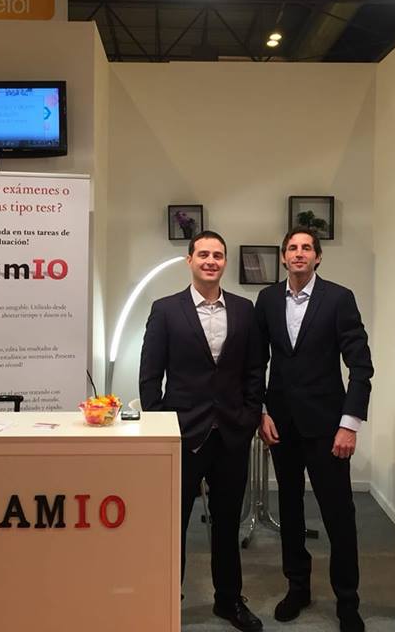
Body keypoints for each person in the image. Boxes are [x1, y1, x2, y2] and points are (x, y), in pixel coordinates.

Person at [139, 230, 264, 632]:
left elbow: (254, 369)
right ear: (189, 260)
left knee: (226, 523)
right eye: (204, 254)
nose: (211, 261)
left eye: (218, 255)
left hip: (231, 434)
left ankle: (228, 600)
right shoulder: (165, 310)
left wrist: (250, 416)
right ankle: (166, 600)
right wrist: (160, 424)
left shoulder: (244, 310)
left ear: (224, 262)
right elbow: (149, 375)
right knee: (173, 523)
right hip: (181, 434)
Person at [255, 227, 373, 632]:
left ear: (318, 257)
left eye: (307, 247)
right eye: (292, 248)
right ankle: (298, 588)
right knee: (289, 510)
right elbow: (256, 361)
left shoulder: (339, 299)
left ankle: (348, 602)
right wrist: (261, 411)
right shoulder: (268, 299)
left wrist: (349, 424)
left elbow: (361, 367)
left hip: (328, 429)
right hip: (282, 426)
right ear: (284, 257)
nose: (299, 253)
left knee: (338, 516)